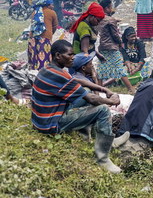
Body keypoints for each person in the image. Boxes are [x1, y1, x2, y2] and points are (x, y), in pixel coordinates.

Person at [31, 40, 125, 173]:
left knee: (85, 91)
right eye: (70, 54)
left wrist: (104, 90)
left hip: (42, 119)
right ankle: (103, 159)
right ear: (58, 55)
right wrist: (112, 101)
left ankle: (102, 139)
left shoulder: (49, 69)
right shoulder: (58, 74)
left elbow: (76, 80)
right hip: (50, 124)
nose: (73, 57)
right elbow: (92, 99)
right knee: (102, 109)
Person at [97, 0, 134, 92]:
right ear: (106, 8)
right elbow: (115, 35)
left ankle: (99, 89)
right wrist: (120, 42)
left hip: (102, 47)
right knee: (119, 67)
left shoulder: (99, 18)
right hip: (111, 47)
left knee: (101, 69)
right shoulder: (110, 20)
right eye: (111, 7)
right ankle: (131, 89)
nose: (112, 9)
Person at [27, 0, 58, 70]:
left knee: (34, 57)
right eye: (52, 5)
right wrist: (51, 33)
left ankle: (33, 72)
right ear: (47, 5)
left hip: (33, 39)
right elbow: (55, 26)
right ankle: (43, 75)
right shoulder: (52, 13)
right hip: (45, 38)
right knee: (44, 59)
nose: (53, 6)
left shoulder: (35, 12)